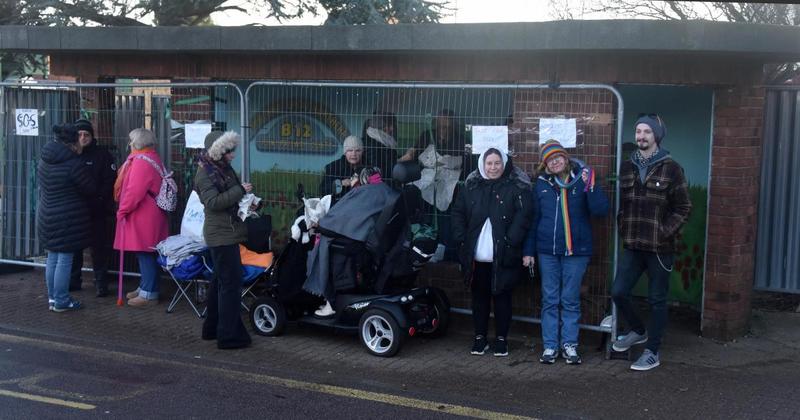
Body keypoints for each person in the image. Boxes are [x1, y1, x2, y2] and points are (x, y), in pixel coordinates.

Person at [611, 114, 692, 371]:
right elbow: (623, 204)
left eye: (647, 131)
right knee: (619, 292)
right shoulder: (627, 166)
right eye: (638, 132)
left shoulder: (672, 168)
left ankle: (652, 351)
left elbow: (684, 207)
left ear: (656, 135)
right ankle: (638, 330)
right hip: (633, 244)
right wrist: (623, 225)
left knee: (657, 300)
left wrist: (665, 231)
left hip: (660, 248)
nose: (641, 136)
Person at [523, 140, 609, 365]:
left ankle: (570, 345)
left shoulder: (581, 180)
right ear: (545, 165)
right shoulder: (541, 184)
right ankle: (550, 346)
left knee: (570, 299)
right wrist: (529, 250)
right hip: (547, 251)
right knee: (550, 299)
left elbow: (600, 211)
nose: (555, 162)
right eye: (550, 160)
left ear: (566, 157)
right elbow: (534, 220)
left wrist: (591, 185)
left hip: (577, 251)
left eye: (558, 157)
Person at [451, 148, 531, 357]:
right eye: (489, 163)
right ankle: (480, 337)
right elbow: (458, 213)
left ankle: (502, 339)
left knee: (503, 298)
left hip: (504, 255)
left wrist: (510, 240)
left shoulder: (515, 188)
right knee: (479, 298)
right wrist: (461, 238)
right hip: (477, 257)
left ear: (504, 165)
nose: (493, 167)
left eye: (497, 163)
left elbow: (523, 217)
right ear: (482, 165)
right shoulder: (471, 187)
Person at [196, 130, 252, 349]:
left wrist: (248, 201)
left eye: (233, 150)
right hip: (220, 235)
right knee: (230, 285)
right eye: (229, 151)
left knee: (220, 282)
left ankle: (212, 329)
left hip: (226, 232)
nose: (232, 155)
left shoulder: (221, 169)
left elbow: (228, 198)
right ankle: (228, 336)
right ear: (218, 151)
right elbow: (213, 202)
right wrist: (239, 191)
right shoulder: (204, 174)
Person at [37, 123, 96, 312]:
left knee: (52, 257)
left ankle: (53, 298)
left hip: (47, 214)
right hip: (67, 218)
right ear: (72, 143)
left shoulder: (45, 159)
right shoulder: (73, 164)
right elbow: (90, 189)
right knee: (64, 259)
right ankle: (62, 300)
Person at [113, 128, 169, 307]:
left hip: (144, 214)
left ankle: (148, 293)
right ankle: (145, 286)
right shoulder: (152, 158)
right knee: (145, 252)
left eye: (131, 141)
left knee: (145, 252)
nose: (129, 144)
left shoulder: (140, 162)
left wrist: (122, 210)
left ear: (136, 143)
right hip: (151, 213)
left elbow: (134, 192)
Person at [69, 118, 117, 297]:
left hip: (96, 210)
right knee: (75, 248)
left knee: (98, 248)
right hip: (75, 210)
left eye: (86, 134)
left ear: (91, 136)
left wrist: (99, 199)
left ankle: (101, 283)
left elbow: (110, 180)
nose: (83, 137)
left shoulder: (102, 155)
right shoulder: (71, 154)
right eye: (80, 134)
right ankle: (74, 281)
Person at [319, 135, 364, 201]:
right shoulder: (333, 167)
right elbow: (323, 190)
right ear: (345, 152)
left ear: (362, 152)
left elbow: (377, 188)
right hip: (339, 205)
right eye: (350, 150)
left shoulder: (369, 167)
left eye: (357, 150)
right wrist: (340, 183)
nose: (354, 154)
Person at [362, 111, 398, 180]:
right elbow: (376, 171)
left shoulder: (385, 141)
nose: (392, 129)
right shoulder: (370, 144)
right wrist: (401, 160)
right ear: (381, 126)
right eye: (389, 125)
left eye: (393, 125)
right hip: (378, 185)